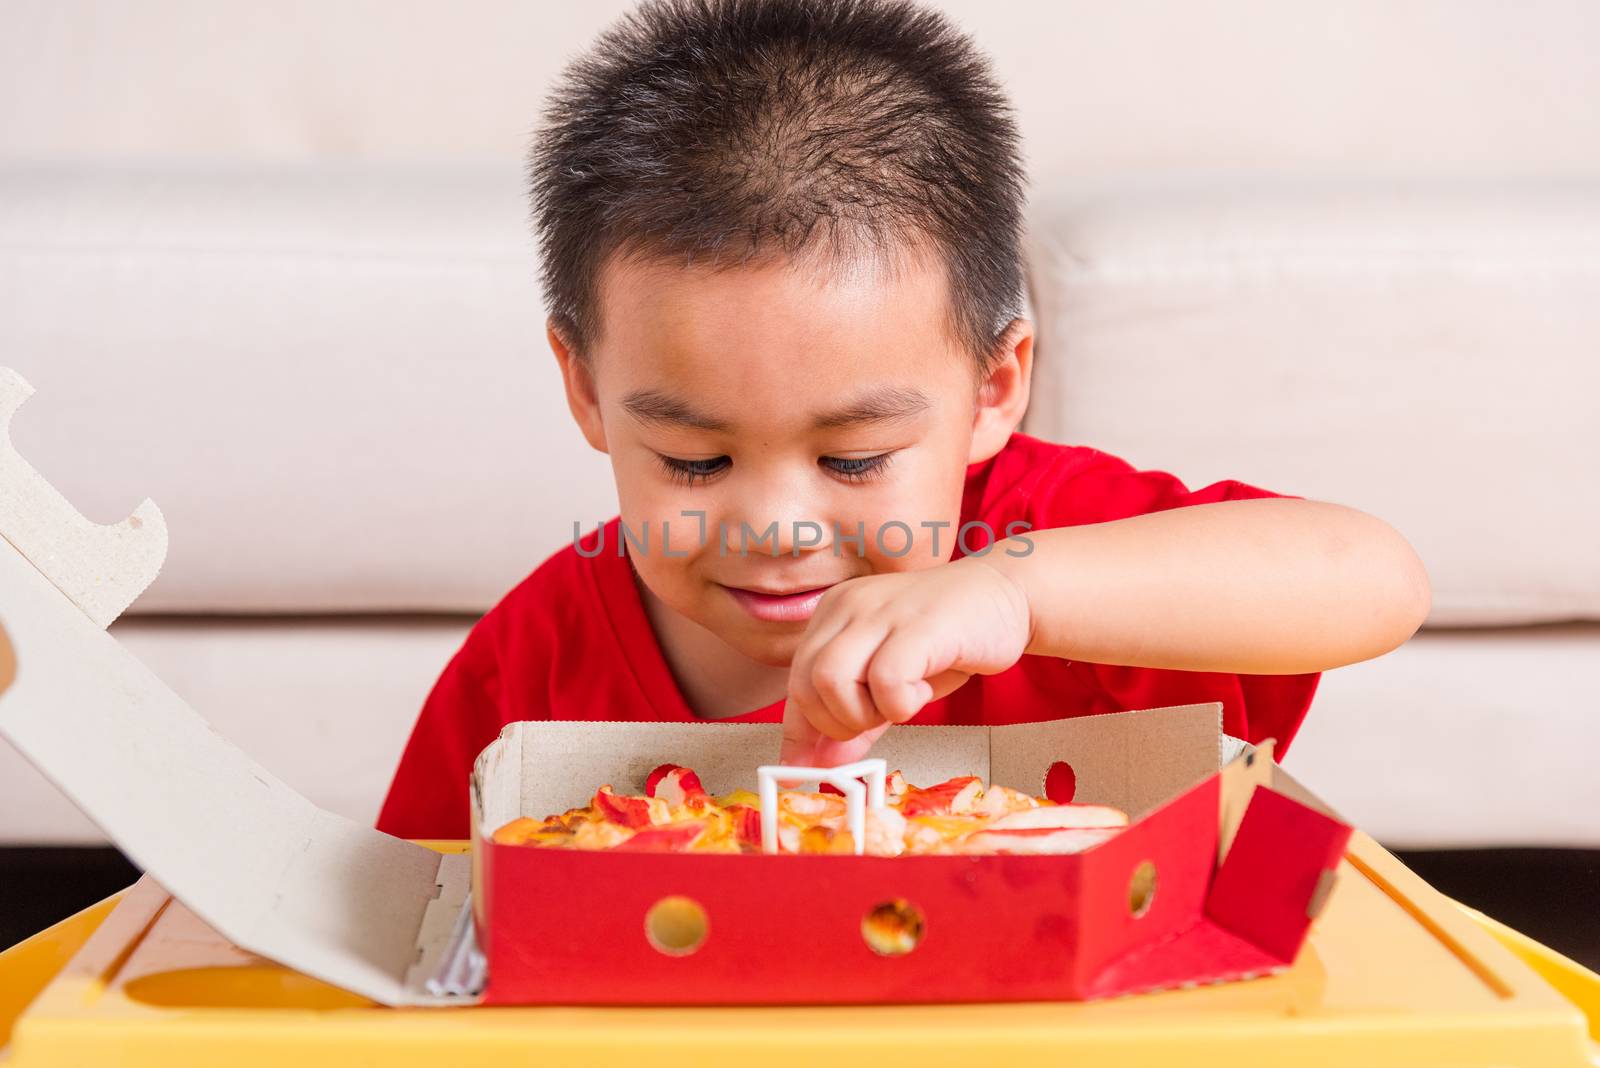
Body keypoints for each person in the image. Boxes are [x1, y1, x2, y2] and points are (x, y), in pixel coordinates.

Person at [376, 0, 1429, 840]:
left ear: (993, 388)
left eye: (854, 456)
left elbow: (1371, 575)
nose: (777, 527)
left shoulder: (1046, 536)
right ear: (586, 391)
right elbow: (419, 918)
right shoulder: (535, 661)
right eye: (695, 461)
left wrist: (1018, 595)